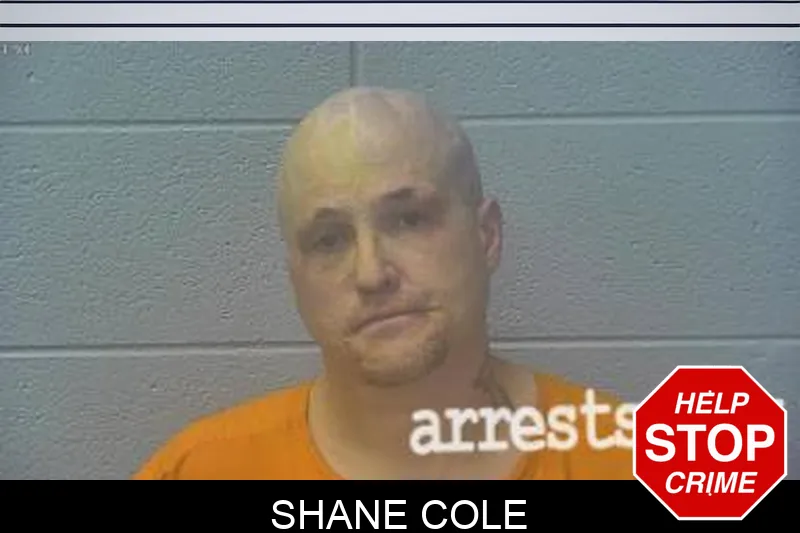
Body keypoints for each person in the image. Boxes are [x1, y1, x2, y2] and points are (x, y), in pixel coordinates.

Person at [133, 87, 633, 480]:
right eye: (329, 240)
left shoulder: (635, 461)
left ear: (486, 236)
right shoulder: (199, 471)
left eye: (409, 220)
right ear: (296, 281)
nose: (372, 274)